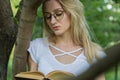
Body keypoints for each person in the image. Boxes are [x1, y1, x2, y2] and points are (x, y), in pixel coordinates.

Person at [27, 0, 106, 80]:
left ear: (73, 12)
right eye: (48, 16)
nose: (52, 21)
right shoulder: (36, 47)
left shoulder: (94, 53)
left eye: (58, 14)